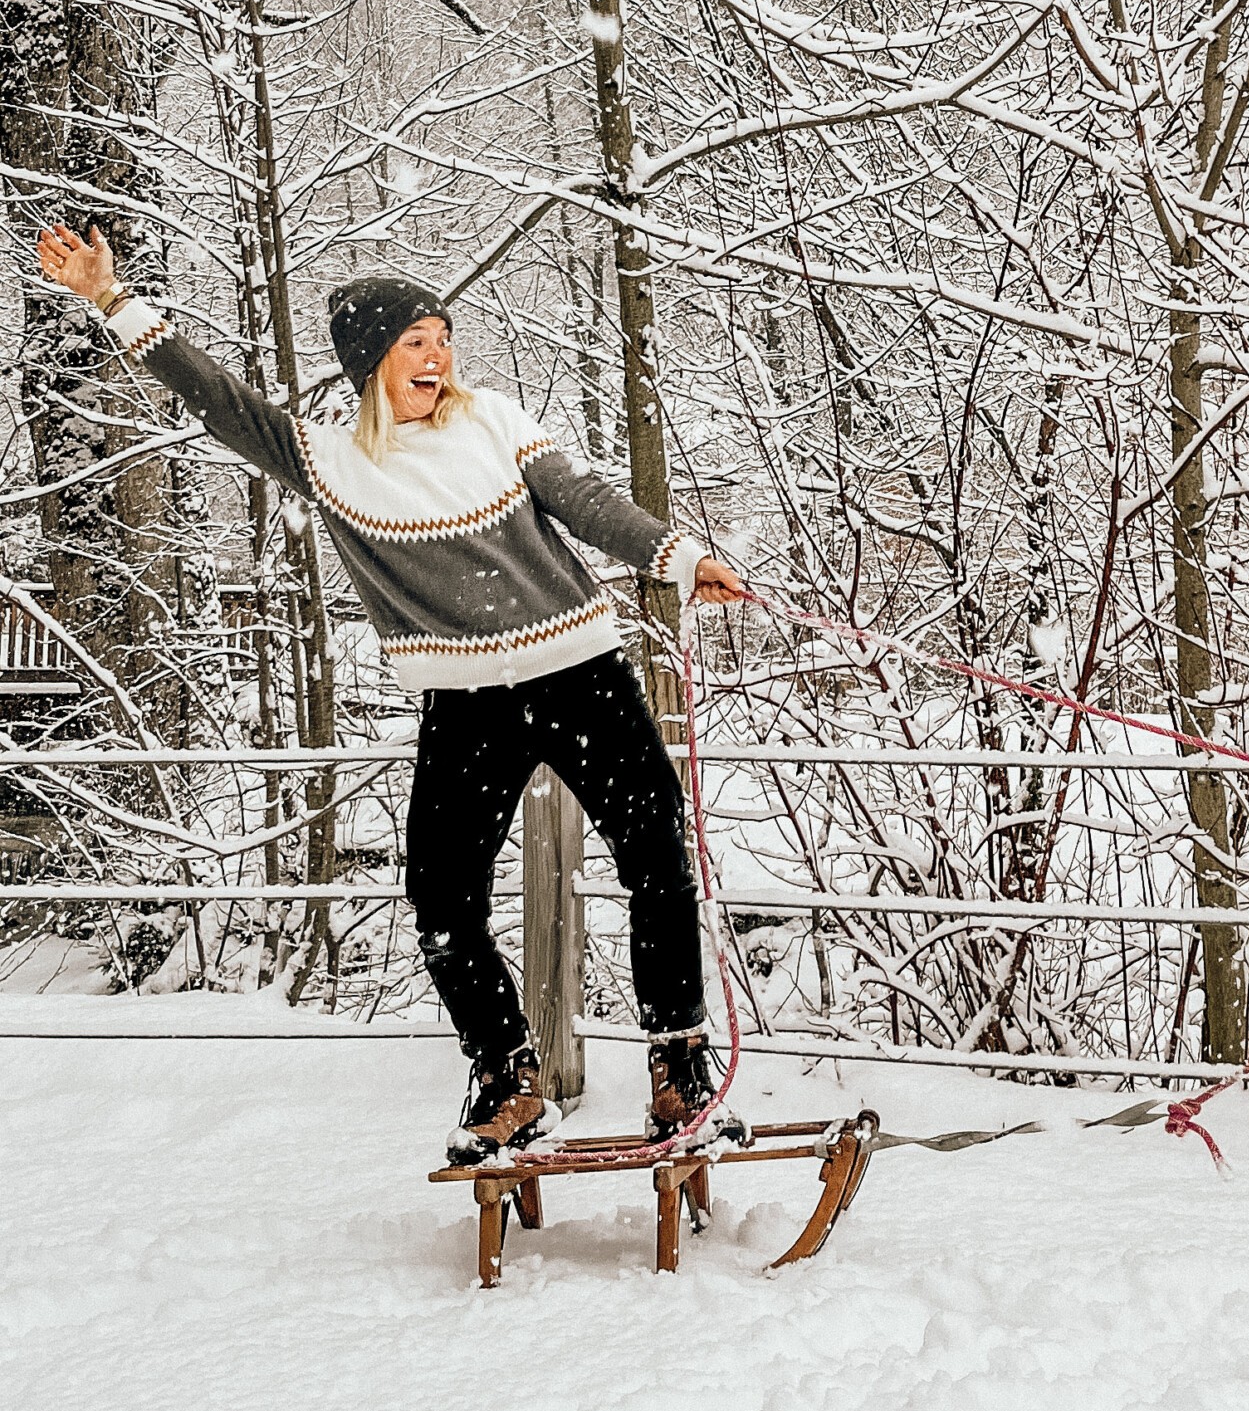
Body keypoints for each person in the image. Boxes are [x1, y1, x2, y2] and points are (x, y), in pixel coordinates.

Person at [37, 223, 748, 1162]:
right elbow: (220, 402)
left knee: (656, 853)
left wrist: (680, 556)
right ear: (373, 360)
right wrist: (110, 298)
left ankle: (678, 1064)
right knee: (443, 898)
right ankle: (506, 1076)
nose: (437, 356)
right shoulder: (334, 462)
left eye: (443, 338)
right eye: (416, 341)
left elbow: (586, 501)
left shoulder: (494, 422)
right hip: (466, 707)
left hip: (580, 675)